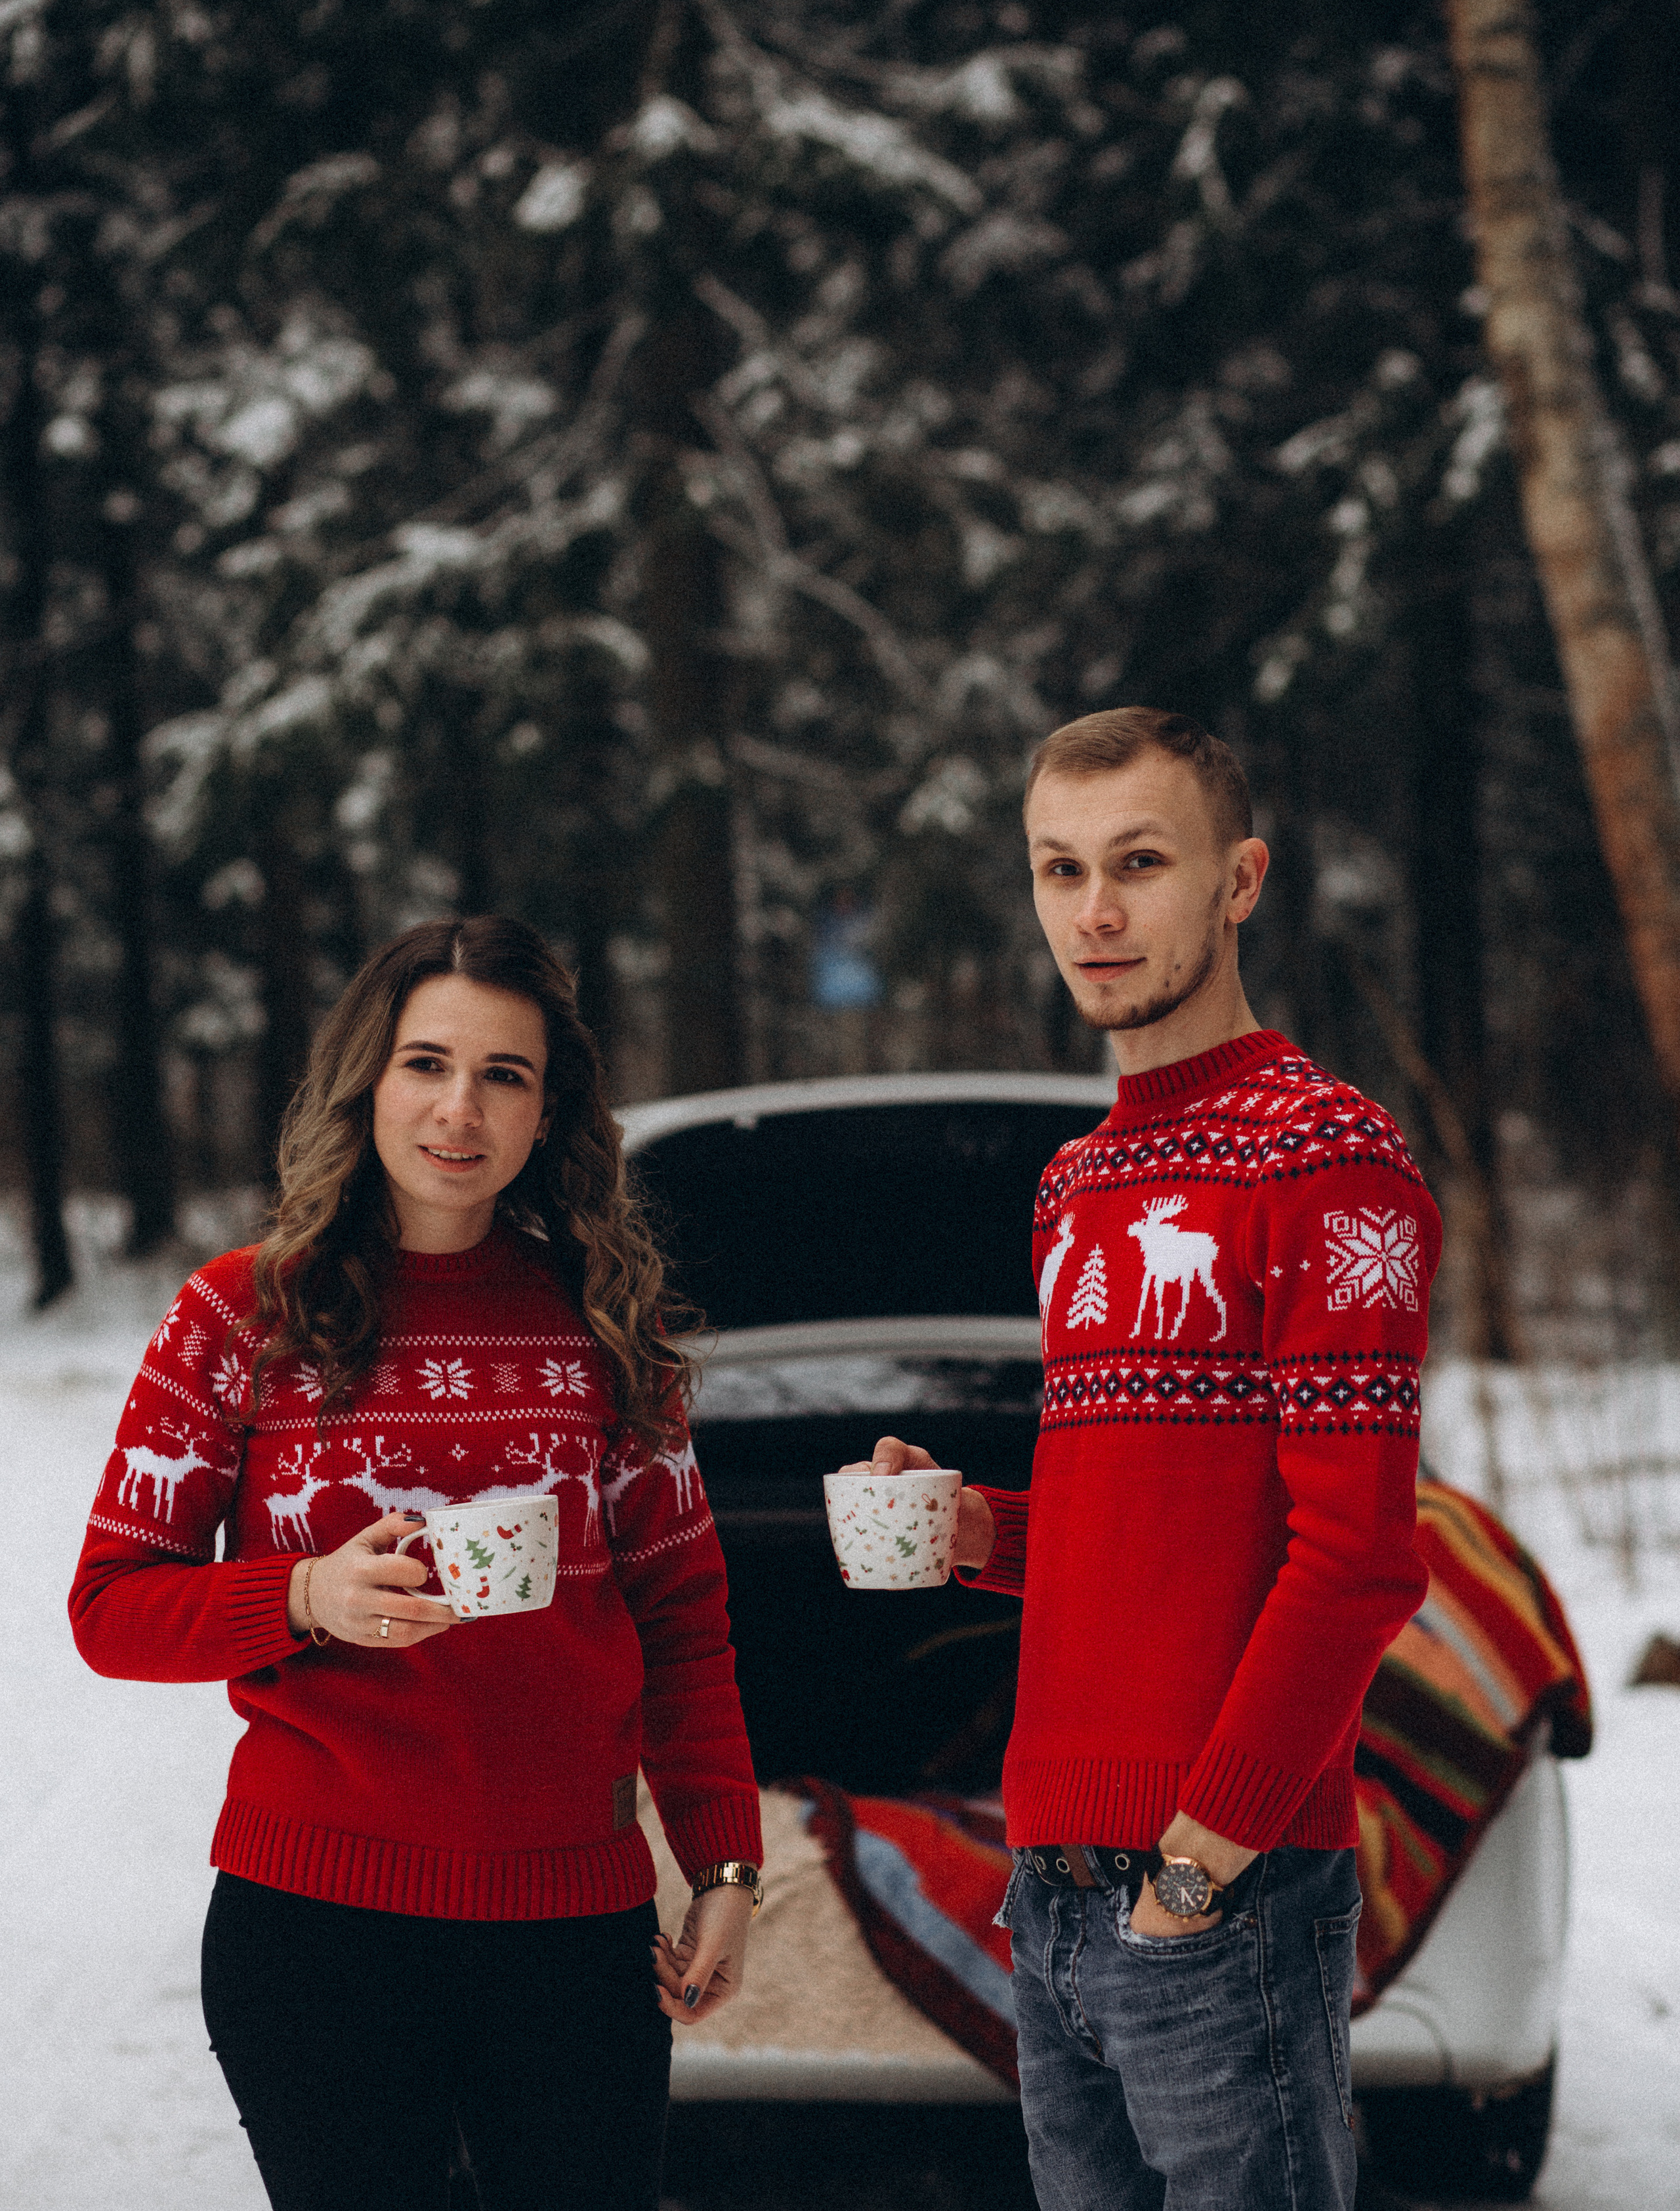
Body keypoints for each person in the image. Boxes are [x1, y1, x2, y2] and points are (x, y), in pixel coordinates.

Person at [70, 915, 763, 2211]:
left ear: (549, 1110)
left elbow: (683, 1618)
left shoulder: (612, 1324)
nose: (460, 1106)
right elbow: (110, 1607)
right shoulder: (239, 1314)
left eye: (505, 1072)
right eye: (424, 1062)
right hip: (316, 1927)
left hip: (574, 1930)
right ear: (365, 1081)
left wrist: (722, 1861)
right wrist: (301, 1593)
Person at [849, 708, 1440, 2211]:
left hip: (1217, 1876)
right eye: (1058, 869)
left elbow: (1359, 1553)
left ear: (1237, 881)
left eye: (1137, 863)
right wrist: (973, 1526)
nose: (1092, 912)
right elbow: (1153, 1527)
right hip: (1047, 1867)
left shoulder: (1327, 1157)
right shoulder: (1079, 1179)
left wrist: (1200, 1859)